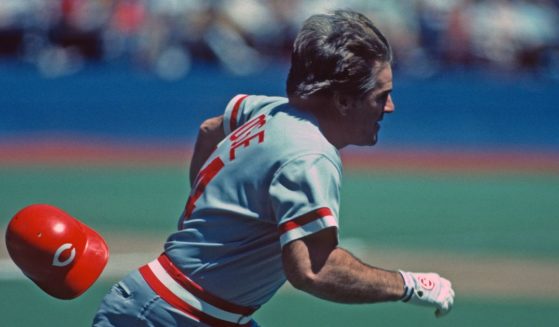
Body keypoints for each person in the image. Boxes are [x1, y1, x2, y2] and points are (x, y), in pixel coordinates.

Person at [93, 10, 454, 326]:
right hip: (172, 314)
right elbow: (314, 270)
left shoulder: (272, 109)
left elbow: (210, 129)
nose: (390, 107)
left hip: (179, 308)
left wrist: (207, 214)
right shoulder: (311, 156)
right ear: (343, 100)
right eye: (380, 96)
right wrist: (409, 285)